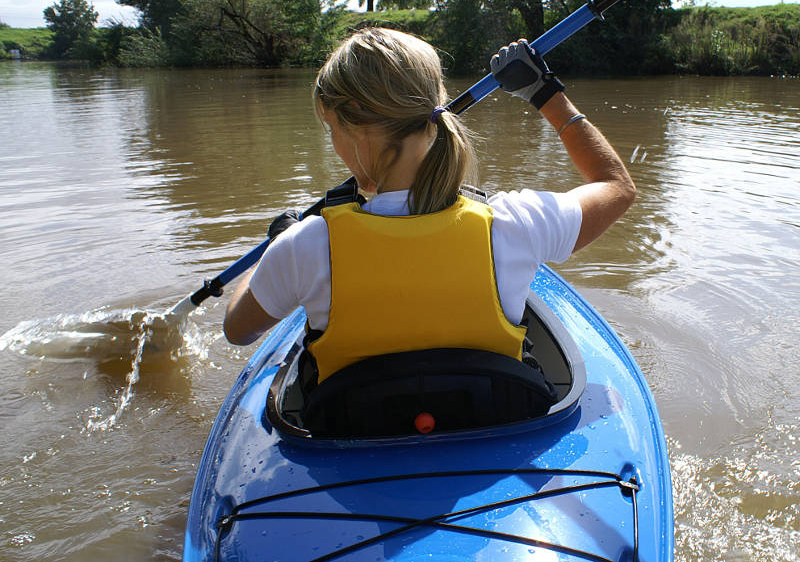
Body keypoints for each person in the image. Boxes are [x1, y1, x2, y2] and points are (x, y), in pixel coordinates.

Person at [223, 28, 635, 388]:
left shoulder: (304, 248)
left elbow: (237, 330)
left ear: (357, 133)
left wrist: (278, 244)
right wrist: (546, 94)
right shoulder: (516, 224)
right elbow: (616, 186)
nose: (333, 145)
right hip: (491, 424)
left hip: (352, 434)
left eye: (332, 130)